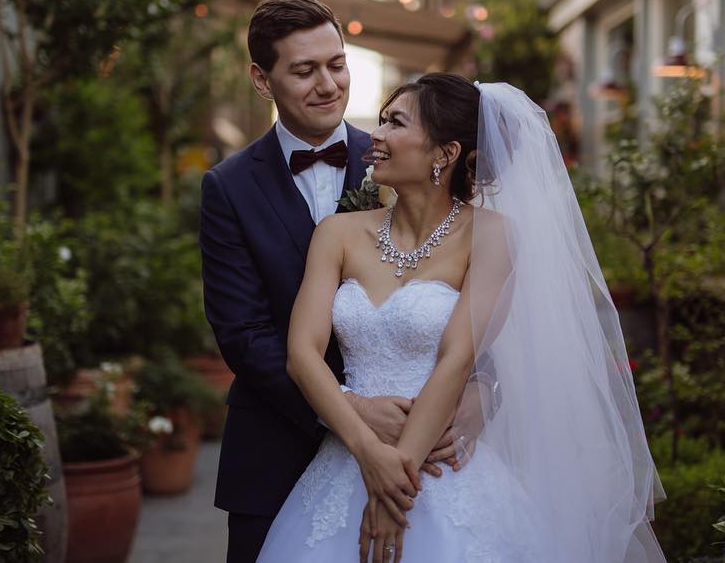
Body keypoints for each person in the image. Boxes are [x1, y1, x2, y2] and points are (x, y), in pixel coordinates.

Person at [256, 73, 666, 562]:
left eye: (396, 123)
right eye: (382, 120)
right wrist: (370, 456)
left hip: (440, 464)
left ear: (444, 154)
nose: (377, 135)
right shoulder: (338, 233)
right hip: (347, 452)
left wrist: (395, 487)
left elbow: (457, 359)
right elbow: (302, 355)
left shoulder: (491, 235)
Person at [199, 0, 486, 563]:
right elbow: (243, 334)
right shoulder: (228, 187)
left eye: (337, 63)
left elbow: (484, 327)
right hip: (275, 446)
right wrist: (353, 407)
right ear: (262, 79)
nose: (328, 84)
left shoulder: (398, 152)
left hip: (423, 445)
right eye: (304, 71)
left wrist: (476, 399)